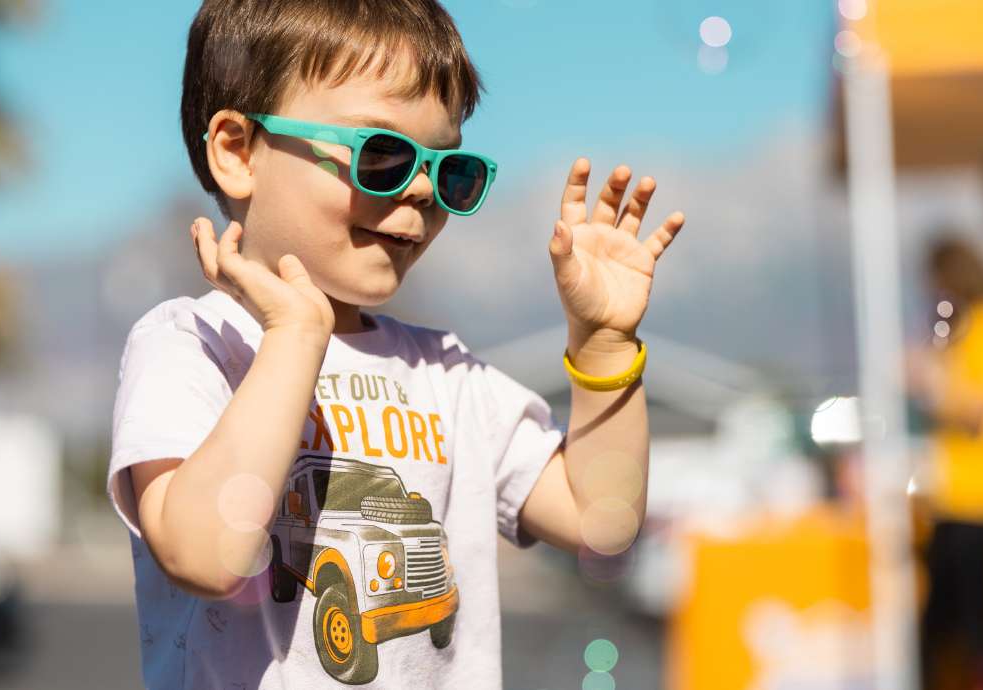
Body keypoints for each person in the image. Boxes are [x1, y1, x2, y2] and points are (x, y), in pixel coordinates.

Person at [103, 1, 687, 688]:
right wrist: (295, 336)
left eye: (451, 171)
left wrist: (605, 346)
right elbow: (204, 553)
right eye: (381, 155)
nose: (419, 189)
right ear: (237, 152)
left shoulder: (445, 373)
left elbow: (600, 521)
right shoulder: (193, 343)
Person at [906, 237, 983, 690]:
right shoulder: (978, 328)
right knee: (949, 631)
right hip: (962, 500)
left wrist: (930, 382)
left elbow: (981, 408)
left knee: (970, 632)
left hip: (982, 500)